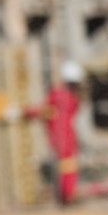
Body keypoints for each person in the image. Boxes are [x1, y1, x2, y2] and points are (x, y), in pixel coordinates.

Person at [45, 60, 83, 206]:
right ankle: (67, 195)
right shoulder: (68, 97)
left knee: (65, 165)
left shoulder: (55, 94)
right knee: (67, 165)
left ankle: (66, 194)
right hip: (65, 136)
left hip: (59, 135)